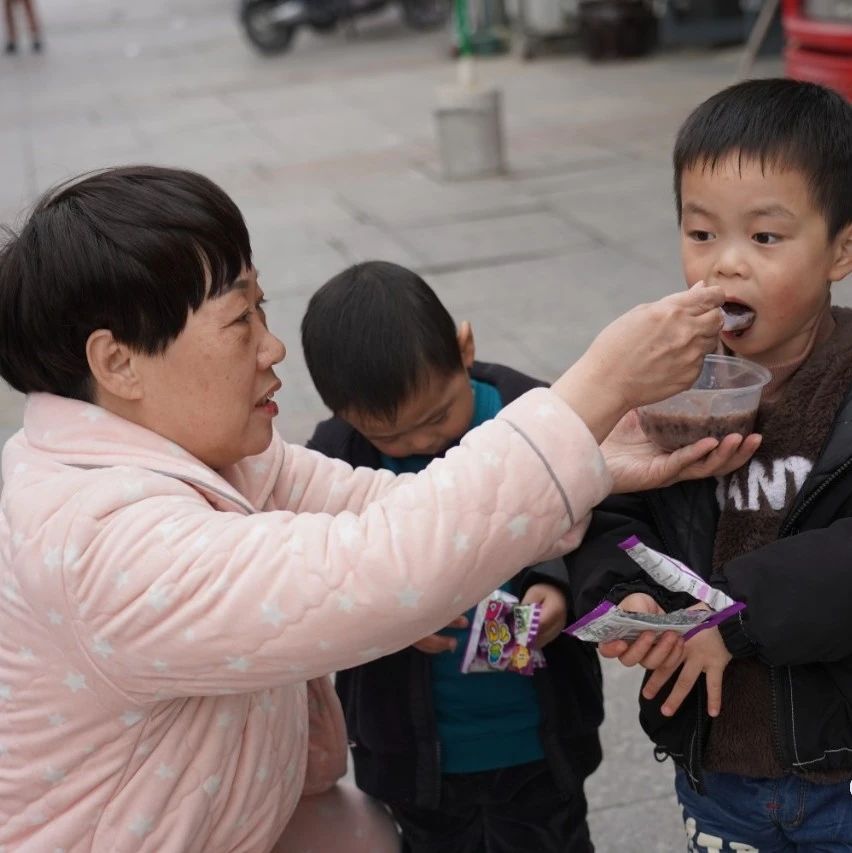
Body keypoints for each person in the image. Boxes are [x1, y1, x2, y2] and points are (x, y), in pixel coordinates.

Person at [0, 165, 730, 851]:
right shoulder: (100, 541)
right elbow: (380, 568)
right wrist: (597, 385)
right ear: (118, 362)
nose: (271, 347)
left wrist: (592, 458)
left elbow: (399, 508)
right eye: (238, 322)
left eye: (263, 308)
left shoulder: (224, 460)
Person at [566, 78, 852, 851]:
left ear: (841, 249)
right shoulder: (667, 381)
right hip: (718, 770)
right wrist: (629, 598)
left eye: (764, 238)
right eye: (700, 235)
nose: (725, 266)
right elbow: (614, 514)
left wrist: (731, 616)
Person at [302, 261, 603, 852]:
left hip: (537, 733)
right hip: (414, 749)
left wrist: (557, 582)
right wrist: (388, 615)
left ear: (464, 349)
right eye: (392, 436)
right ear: (342, 411)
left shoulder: (533, 416)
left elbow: (599, 516)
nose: (421, 443)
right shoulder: (334, 458)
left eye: (438, 415)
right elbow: (316, 565)